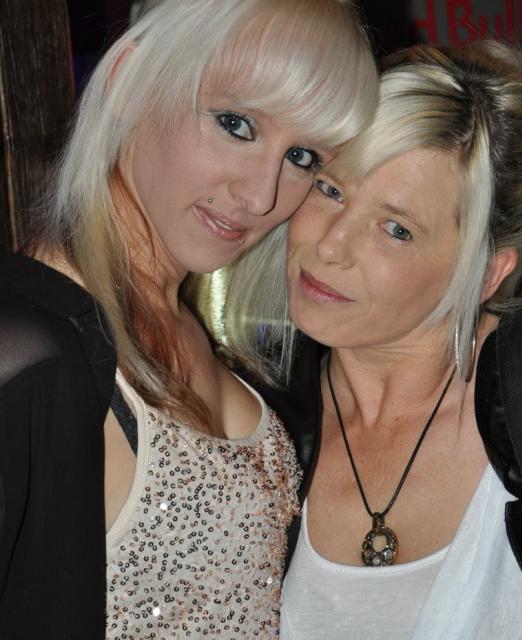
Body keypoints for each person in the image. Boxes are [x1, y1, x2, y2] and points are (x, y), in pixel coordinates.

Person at [224, 41, 522, 639]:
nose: (331, 245)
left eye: (396, 229)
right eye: (331, 190)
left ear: (487, 273)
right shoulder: (250, 419)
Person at [0, 1, 377, 637]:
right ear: (129, 83)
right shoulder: (26, 349)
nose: (261, 195)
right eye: (236, 124)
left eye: (302, 156)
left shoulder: (188, 329)